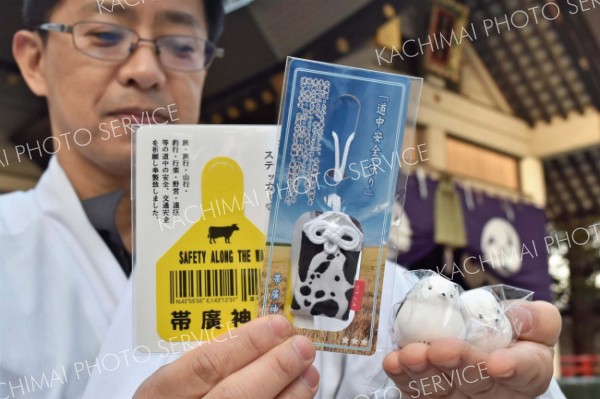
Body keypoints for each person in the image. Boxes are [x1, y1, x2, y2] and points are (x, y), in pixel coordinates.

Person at [0, 0, 565, 398]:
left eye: (180, 44)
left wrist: (497, 380)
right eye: (104, 34)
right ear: (31, 59)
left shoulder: (314, 239)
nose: (145, 70)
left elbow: (440, 344)